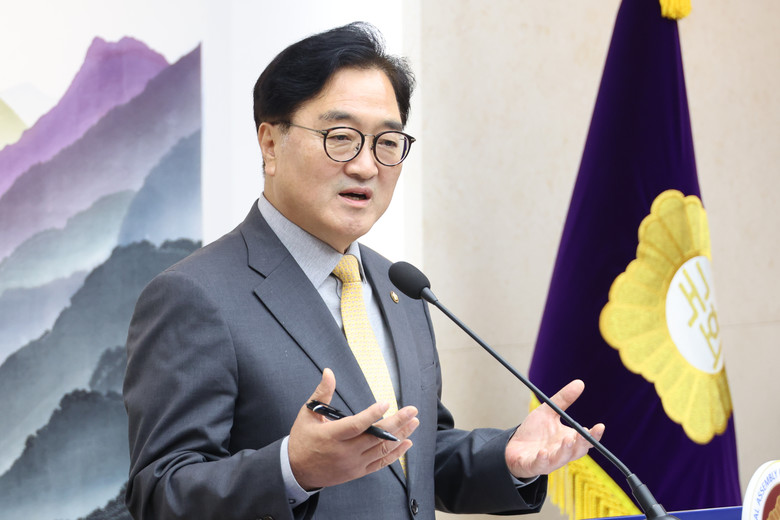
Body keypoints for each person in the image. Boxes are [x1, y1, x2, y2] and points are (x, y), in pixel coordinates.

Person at [123, 22, 605, 520]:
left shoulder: (401, 288)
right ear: (270, 144)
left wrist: (506, 459)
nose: (366, 166)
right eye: (341, 137)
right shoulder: (194, 295)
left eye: (387, 142)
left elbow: (412, 457)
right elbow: (159, 494)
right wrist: (292, 469)